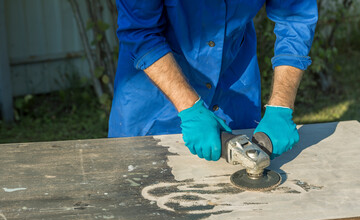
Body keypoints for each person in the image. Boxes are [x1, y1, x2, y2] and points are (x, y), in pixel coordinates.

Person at [109, 0, 318, 161]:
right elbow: (140, 31)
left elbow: (295, 18)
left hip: (232, 84)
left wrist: (281, 105)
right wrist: (189, 107)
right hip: (153, 98)